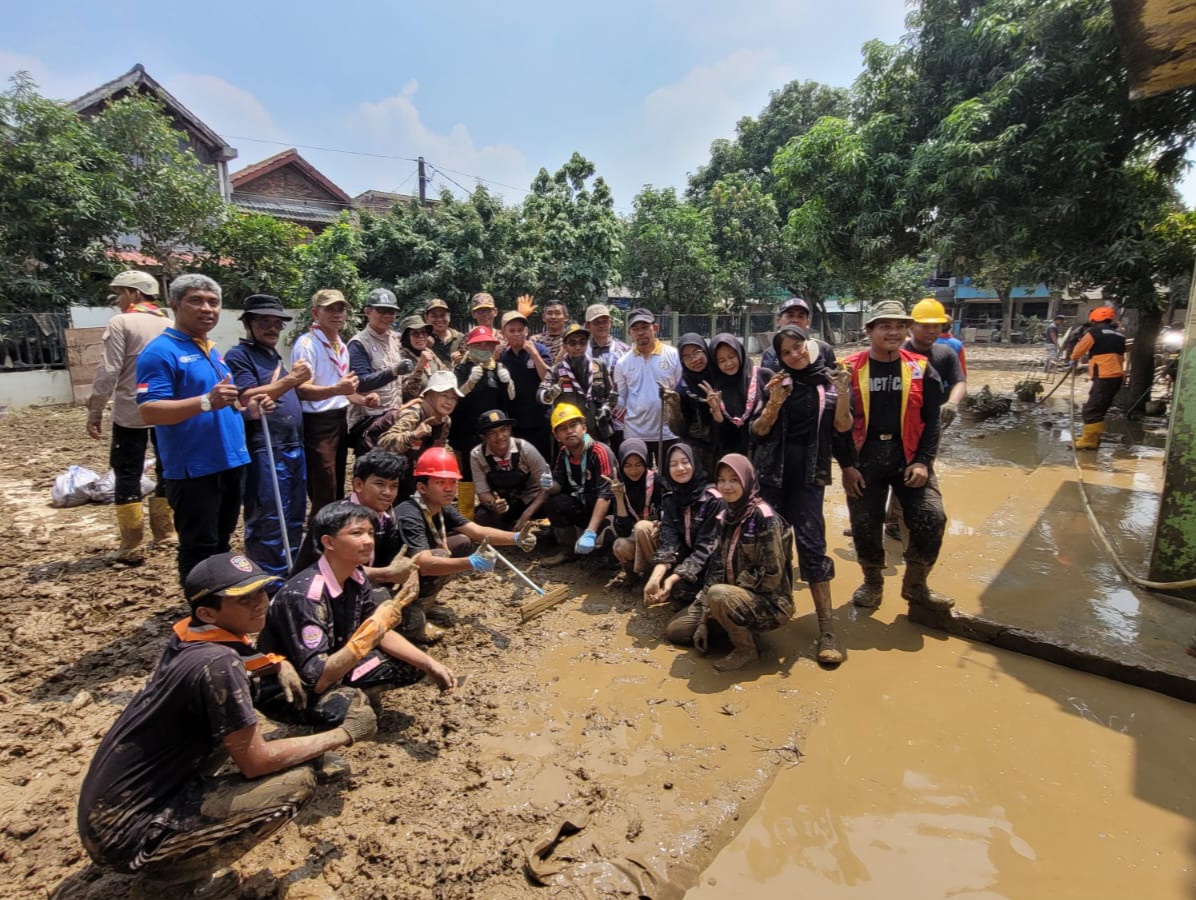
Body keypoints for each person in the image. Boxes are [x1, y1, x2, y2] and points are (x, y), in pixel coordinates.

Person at [77, 552, 372, 900]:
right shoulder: (219, 664)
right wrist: (342, 734)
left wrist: (275, 663)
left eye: (261, 591)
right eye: (243, 599)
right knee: (296, 785)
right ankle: (170, 883)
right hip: (124, 835)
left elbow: (237, 654)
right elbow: (256, 761)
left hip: (108, 811)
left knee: (235, 722)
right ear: (207, 612)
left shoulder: (188, 637)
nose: (259, 603)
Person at [259, 501, 455, 725]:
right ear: (328, 542)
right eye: (356, 533)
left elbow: (378, 630)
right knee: (345, 711)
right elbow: (319, 679)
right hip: (297, 687)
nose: (368, 541)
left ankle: (356, 694)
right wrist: (376, 627)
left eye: (370, 533)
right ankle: (312, 726)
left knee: (414, 663)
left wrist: (429, 664)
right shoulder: (306, 596)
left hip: (336, 659)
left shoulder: (356, 575)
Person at [136, 274, 250, 586]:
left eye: (213, 302)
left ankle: (221, 605)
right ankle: (200, 614)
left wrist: (246, 405)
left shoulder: (212, 350)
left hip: (231, 461)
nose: (207, 309)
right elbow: (148, 409)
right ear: (174, 305)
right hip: (195, 469)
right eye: (196, 301)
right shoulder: (160, 352)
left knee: (222, 540)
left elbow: (224, 401)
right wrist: (205, 402)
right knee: (198, 546)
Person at [839, 301, 952, 612]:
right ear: (869, 331)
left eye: (900, 326)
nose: (893, 332)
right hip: (865, 458)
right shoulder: (848, 369)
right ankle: (872, 582)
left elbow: (932, 420)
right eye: (885, 326)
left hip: (909, 456)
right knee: (865, 524)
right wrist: (847, 466)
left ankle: (916, 586)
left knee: (932, 517)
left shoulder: (920, 367)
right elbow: (836, 425)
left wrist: (923, 462)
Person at [751, 325, 854, 665]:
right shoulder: (775, 383)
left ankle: (827, 628)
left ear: (809, 347)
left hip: (809, 479)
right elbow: (759, 430)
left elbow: (842, 427)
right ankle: (765, 617)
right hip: (771, 478)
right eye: (786, 352)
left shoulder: (828, 382)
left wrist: (845, 394)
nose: (795, 354)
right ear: (779, 357)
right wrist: (775, 403)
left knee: (813, 546)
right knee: (770, 546)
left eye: (799, 347)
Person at [394, 448, 537, 640]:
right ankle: (410, 608)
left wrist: (515, 538)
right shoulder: (409, 515)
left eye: (452, 482)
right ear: (422, 487)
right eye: (440, 482)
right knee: (413, 622)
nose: (449, 488)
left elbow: (477, 532)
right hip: (393, 581)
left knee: (462, 542)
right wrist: (471, 562)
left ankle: (425, 603)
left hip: (418, 569)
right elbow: (426, 565)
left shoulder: (440, 506)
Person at [85, 270, 173, 559]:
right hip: (166, 410)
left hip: (130, 410)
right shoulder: (170, 324)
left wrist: (95, 408)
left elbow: (109, 370)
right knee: (165, 469)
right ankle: (166, 533)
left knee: (127, 473)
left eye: (121, 293)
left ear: (135, 294)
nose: (118, 300)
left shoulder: (122, 322)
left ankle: (132, 544)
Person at [224, 294, 312, 579]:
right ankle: (271, 582)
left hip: (292, 444)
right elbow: (246, 396)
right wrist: (291, 380)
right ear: (248, 323)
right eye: (265, 322)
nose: (273, 328)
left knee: (295, 514)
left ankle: (293, 572)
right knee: (269, 518)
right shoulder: (239, 356)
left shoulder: (272, 355)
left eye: (277, 323)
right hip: (266, 446)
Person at [690, 454, 796, 672]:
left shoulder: (764, 518)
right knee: (679, 632)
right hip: (731, 597)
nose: (726, 486)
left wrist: (729, 595)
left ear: (747, 481)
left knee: (719, 595)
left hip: (771, 604)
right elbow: (716, 567)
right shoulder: (726, 515)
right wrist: (703, 620)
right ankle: (727, 624)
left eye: (734, 480)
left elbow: (772, 575)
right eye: (721, 480)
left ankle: (746, 650)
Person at [291, 289, 379, 521]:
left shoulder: (339, 343)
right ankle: (319, 540)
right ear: (315, 312)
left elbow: (344, 391)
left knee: (338, 482)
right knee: (324, 488)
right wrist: (336, 390)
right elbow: (302, 390)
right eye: (329, 308)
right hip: (317, 423)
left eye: (340, 309)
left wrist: (362, 399)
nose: (337, 314)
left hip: (339, 419)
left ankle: (334, 533)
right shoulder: (307, 344)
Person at [650, 444, 725, 640]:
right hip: (689, 570)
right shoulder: (670, 499)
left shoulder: (713, 500)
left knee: (676, 632)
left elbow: (705, 550)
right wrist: (656, 578)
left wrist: (672, 578)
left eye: (685, 462)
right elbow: (669, 542)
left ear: (695, 463)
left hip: (714, 574)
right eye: (673, 464)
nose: (680, 468)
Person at [450, 325, 515, 518]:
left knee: (497, 468)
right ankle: (465, 515)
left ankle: (500, 511)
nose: (484, 348)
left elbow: (508, 401)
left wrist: (508, 384)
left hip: (493, 430)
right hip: (466, 430)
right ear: (470, 347)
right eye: (479, 344)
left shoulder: (497, 370)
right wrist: (468, 384)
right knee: (467, 473)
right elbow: (453, 400)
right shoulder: (461, 369)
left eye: (488, 344)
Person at [368, 369, 462, 496]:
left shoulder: (445, 421)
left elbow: (435, 452)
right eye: (444, 395)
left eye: (453, 398)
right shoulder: (414, 413)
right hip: (378, 459)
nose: (449, 402)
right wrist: (414, 435)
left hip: (409, 464)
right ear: (429, 394)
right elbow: (384, 443)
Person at [543, 403, 616, 564]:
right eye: (562, 428)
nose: (569, 431)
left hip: (606, 510)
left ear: (584, 428)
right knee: (553, 503)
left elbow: (606, 494)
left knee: (605, 548)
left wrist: (590, 531)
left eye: (573, 425)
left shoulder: (599, 452)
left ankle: (600, 548)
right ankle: (569, 550)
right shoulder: (564, 453)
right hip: (583, 505)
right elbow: (558, 486)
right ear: (556, 436)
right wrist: (549, 485)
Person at [613, 308, 683, 465]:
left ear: (655, 328)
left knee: (668, 480)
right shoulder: (623, 363)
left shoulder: (673, 355)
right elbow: (621, 399)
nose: (640, 333)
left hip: (667, 433)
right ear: (630, 333)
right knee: (638, 480)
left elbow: (680, 392)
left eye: (645, 327)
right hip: (635, 433)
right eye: (635, 329)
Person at [347, 288, 408, 451]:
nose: (387, 316)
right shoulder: (359, 343)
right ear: (367, 311)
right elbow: (361, 383)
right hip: (370, 420)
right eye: (381, 311)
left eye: (391, 312)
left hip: (393, 416)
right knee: (371, 471)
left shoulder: (394, 339)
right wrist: (393, 371)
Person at [469, 409, 553, 530]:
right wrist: (494, 504)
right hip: (505, 502)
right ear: (483, 436)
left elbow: (546, 488)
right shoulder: (477, 455)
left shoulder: (526, 449)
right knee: (481, 518)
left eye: (503, 430)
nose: (500, 437)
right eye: (492, 433)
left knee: (553, 504)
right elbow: (482, 492)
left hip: (532, 499)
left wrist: (526, 515)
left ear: (509, 430)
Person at [539, 323, 617, 444]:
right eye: (572, 343)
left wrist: (607, 408)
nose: (578, 347)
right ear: (564, 345)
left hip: (597, 429)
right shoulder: (556, 370)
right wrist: (549, 394)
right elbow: (540, 394)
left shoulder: (599, 366)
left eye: (582, 342)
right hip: (569, 432)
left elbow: (611, 395)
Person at [499, 310, 553, 460]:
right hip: (517, 421)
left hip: (540, 420)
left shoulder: (539, 350)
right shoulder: (503, 356)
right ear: (504, 333)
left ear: (527, 331)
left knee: (543, 463)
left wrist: (534, 355)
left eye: (520, 330)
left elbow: (547, 378)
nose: (517, 333)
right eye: (512, 330)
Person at [704, 333, 767, 459]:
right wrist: (717, 415)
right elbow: (719, 437)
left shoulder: (762, 376)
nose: (728, 363)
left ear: (740, 353)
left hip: (761, 454)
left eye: (731, 356)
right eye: (721, 360)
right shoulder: (713, 390)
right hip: (731, 458)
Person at [1070, 306, 1126, 449]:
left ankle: (1089, 440)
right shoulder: (1119, 335)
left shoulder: (1094, 333)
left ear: (1094, 320)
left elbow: (1079, 349)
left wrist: (1073, 359)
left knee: (1091, 409)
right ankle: (1092, 437)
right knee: (1100, 408)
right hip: (1117, 377)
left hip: (1104, 376)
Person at [907, 298, 967, 427]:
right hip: (903, 418)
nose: (931, 331)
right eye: (925, 326)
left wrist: (952, 403)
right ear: (911, 327)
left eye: (936, 326)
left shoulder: (946, 353)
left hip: (934, 417)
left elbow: (959, 381)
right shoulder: (898, 353)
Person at [662, 334, 716, 474]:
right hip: (698, 454)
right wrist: (674, 409)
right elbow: (679, 431)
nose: (694, 359)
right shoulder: (682, 389)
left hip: (728, 446)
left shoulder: (722, 377)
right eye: (686, 356)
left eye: (697, 352)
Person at [609, 439, 661, 584]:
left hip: (656, 538)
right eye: (628, 465)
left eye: (639, 465)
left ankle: (655, 576)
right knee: (620, 545)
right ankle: (634, 578)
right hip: (636, 537)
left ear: (646, 463)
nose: (634, 470)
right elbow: (623, 531)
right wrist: (619, 497)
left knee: (641, 528)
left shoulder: (657, 482)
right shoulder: (619, 485)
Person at [585, 303, 630, 452]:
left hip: (618, 415)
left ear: (611, 323)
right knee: (593, 454)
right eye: (596, 322)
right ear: (588, 326)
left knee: (619, 454)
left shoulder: (624, 350)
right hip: (590, 417)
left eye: (604, 321)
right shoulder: (581, 351)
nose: (601, 325)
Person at [760, 297, 837, 371]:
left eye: (800, 316)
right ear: (778, 320)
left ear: (808, 322)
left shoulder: (824, 349)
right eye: (790, 316)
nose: (795, 320)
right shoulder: (769, 354)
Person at [397, 313, 444, 401]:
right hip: (413, 410)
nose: (421, 336)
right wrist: (420, 367)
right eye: (415, 334)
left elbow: (445, 374)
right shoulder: (400, 358)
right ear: (406, 338)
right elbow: (407, 394)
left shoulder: (429, 352)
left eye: (423, 332)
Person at [531, 297, 570, 365]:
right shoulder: (535, 341)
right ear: (543, 317)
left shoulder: (571, 340)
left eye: (557, 313)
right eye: (549, 313)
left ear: (566, 317)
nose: (553, 317)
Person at [425, 298, 462, 366]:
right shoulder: (422, 340)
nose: (439, 319)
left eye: (443, 315)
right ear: (426, 318)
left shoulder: (461, 339)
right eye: (434, 316)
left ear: (449, 316)